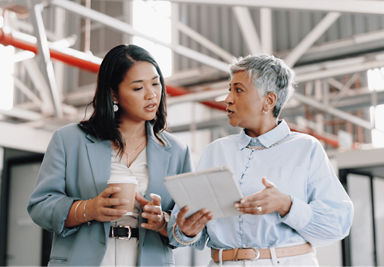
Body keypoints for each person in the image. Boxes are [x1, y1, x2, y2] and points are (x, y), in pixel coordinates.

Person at [168, 54, 353, 266]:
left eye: (238, 90)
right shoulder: (215, 151)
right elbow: (181, 232)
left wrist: (287, 205)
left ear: (269, 100)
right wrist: (186, 231)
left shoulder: (306, 149)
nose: (227, 98)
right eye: (229, 89)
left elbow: (337, 225)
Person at [27, 44, 192, 266]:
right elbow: (40, 206)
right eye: (138, 88)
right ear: (114, 93)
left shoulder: (177, 151)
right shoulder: (69, 140)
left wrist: (163, 222)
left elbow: (188, 227)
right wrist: (88, 209)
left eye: (155, 83)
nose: (152, 94)